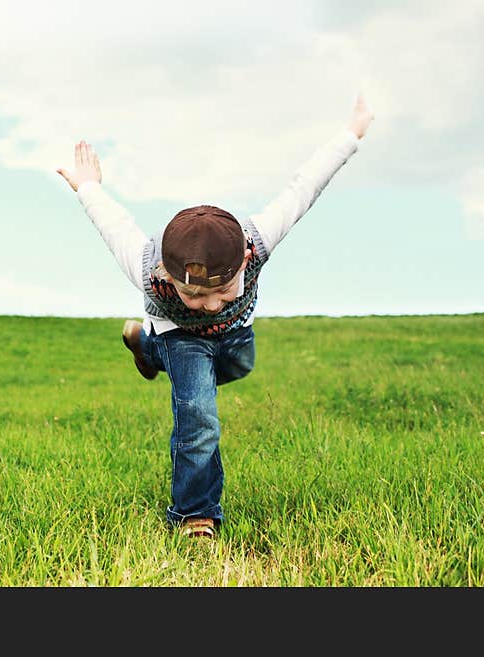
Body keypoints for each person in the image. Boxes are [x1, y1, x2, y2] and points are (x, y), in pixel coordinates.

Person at [57, 94, 374, 538]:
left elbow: (304, 187)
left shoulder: (257, 241)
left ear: (243, 264)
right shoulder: (145, 265)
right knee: (199, 415)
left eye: (223, 290)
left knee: (241, 365)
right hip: (180, 337)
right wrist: (88, 185)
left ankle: (147, 351)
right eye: (193, 294)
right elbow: (113, 222)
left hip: (235, 338)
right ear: (168, 272)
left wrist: (350, 134)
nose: (209, 305)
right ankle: (195, 514)